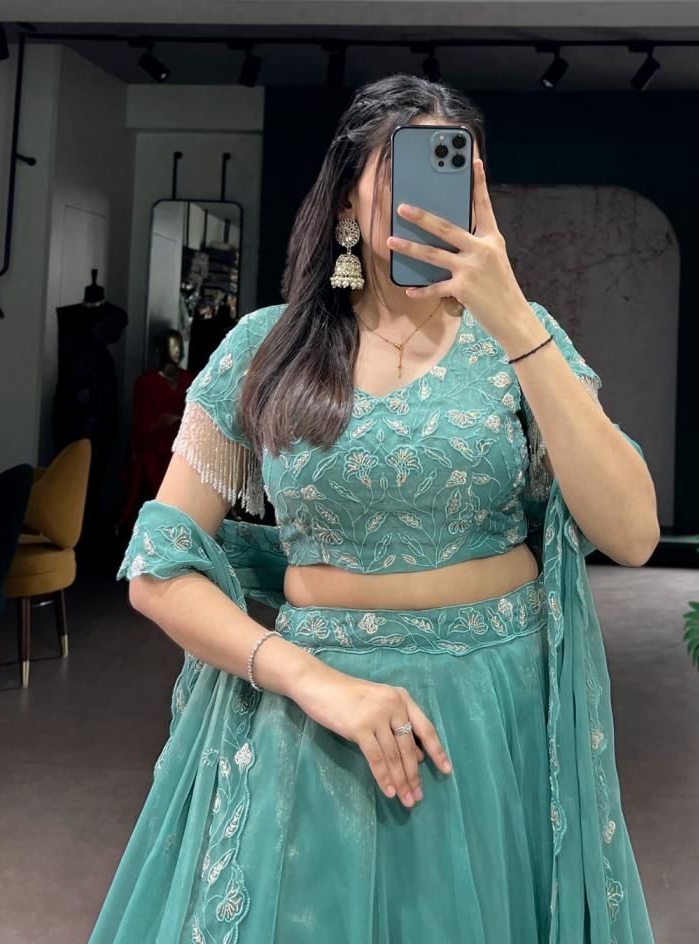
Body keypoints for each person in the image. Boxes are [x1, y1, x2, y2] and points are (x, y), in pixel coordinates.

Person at [88, 74, 660, 943]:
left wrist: (515, 320)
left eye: (452, 173)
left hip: (493, 717)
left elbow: (634, 533)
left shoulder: (519, 340)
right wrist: (310, 680)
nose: (427, 199)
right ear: (346, 202)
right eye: (399, 170)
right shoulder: (267, 349)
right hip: (317, 720)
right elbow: (157, 571)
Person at [116, 329, 195, 531]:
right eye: (172, 345)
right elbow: (141, 423)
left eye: (179, 345)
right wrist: (161, 423)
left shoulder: (189, 380)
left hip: (183, 444)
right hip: (155, 446)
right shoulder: (147, 382)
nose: (177, 350)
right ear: (160, 349)